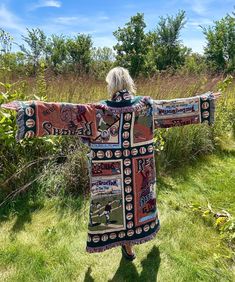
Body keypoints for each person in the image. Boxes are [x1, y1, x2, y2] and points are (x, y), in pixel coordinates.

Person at [1, 67, 221, 261]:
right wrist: (204, 101)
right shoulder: (146, 107)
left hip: (109, 172)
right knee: (137, 206)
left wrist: (27, 109)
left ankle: (126, 247)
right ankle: (130, 249)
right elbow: (173, 110)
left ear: (112, 86)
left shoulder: (99, 111)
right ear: (128, 83)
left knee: (113, 208)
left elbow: (65, 114)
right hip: (139, 169)